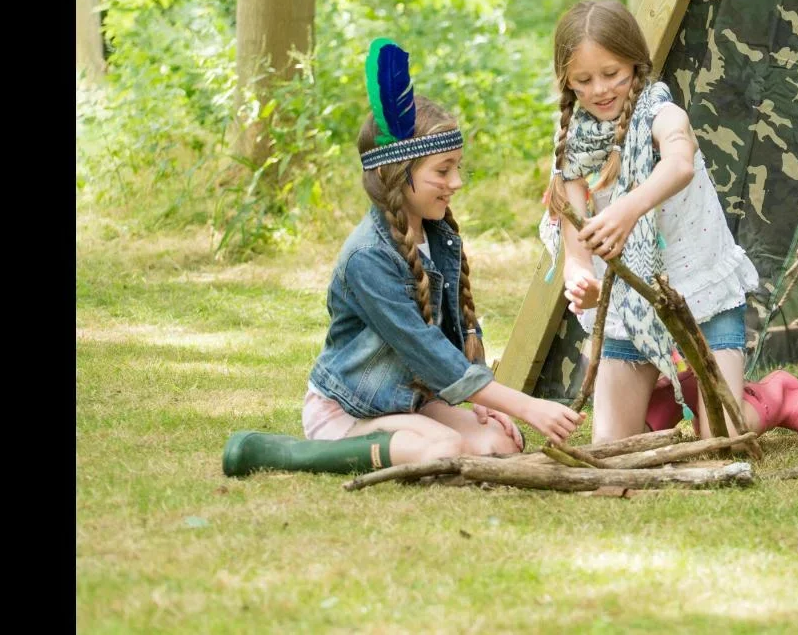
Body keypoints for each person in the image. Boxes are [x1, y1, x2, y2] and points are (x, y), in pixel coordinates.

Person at [224, 38, 583, 477]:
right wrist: (526, 405)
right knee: (446, 453)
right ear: (395, 173)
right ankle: (290, 452)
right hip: (351, 409)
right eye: (442, 170)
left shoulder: (438, 236)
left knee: (500, 443)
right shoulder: (367, 258)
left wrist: (483, 400)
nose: (456, 182)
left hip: (413, 398)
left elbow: (453, 335)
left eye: (457, 167)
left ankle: (420, 433)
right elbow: (427, 350)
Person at [539, 0, 798, 449]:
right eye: (584, 80)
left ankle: (776, 396)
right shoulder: (572, 136)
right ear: (567, 80)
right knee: (609, 447)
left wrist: (628, 209)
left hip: (700, 294)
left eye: (612, 74)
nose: (600, 90)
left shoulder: (662, 114)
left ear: (636, 63)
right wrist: (579, 274)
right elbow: (574, 221)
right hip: (632, 306)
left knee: (720, 435)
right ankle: (666, 389)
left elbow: (679, 164)